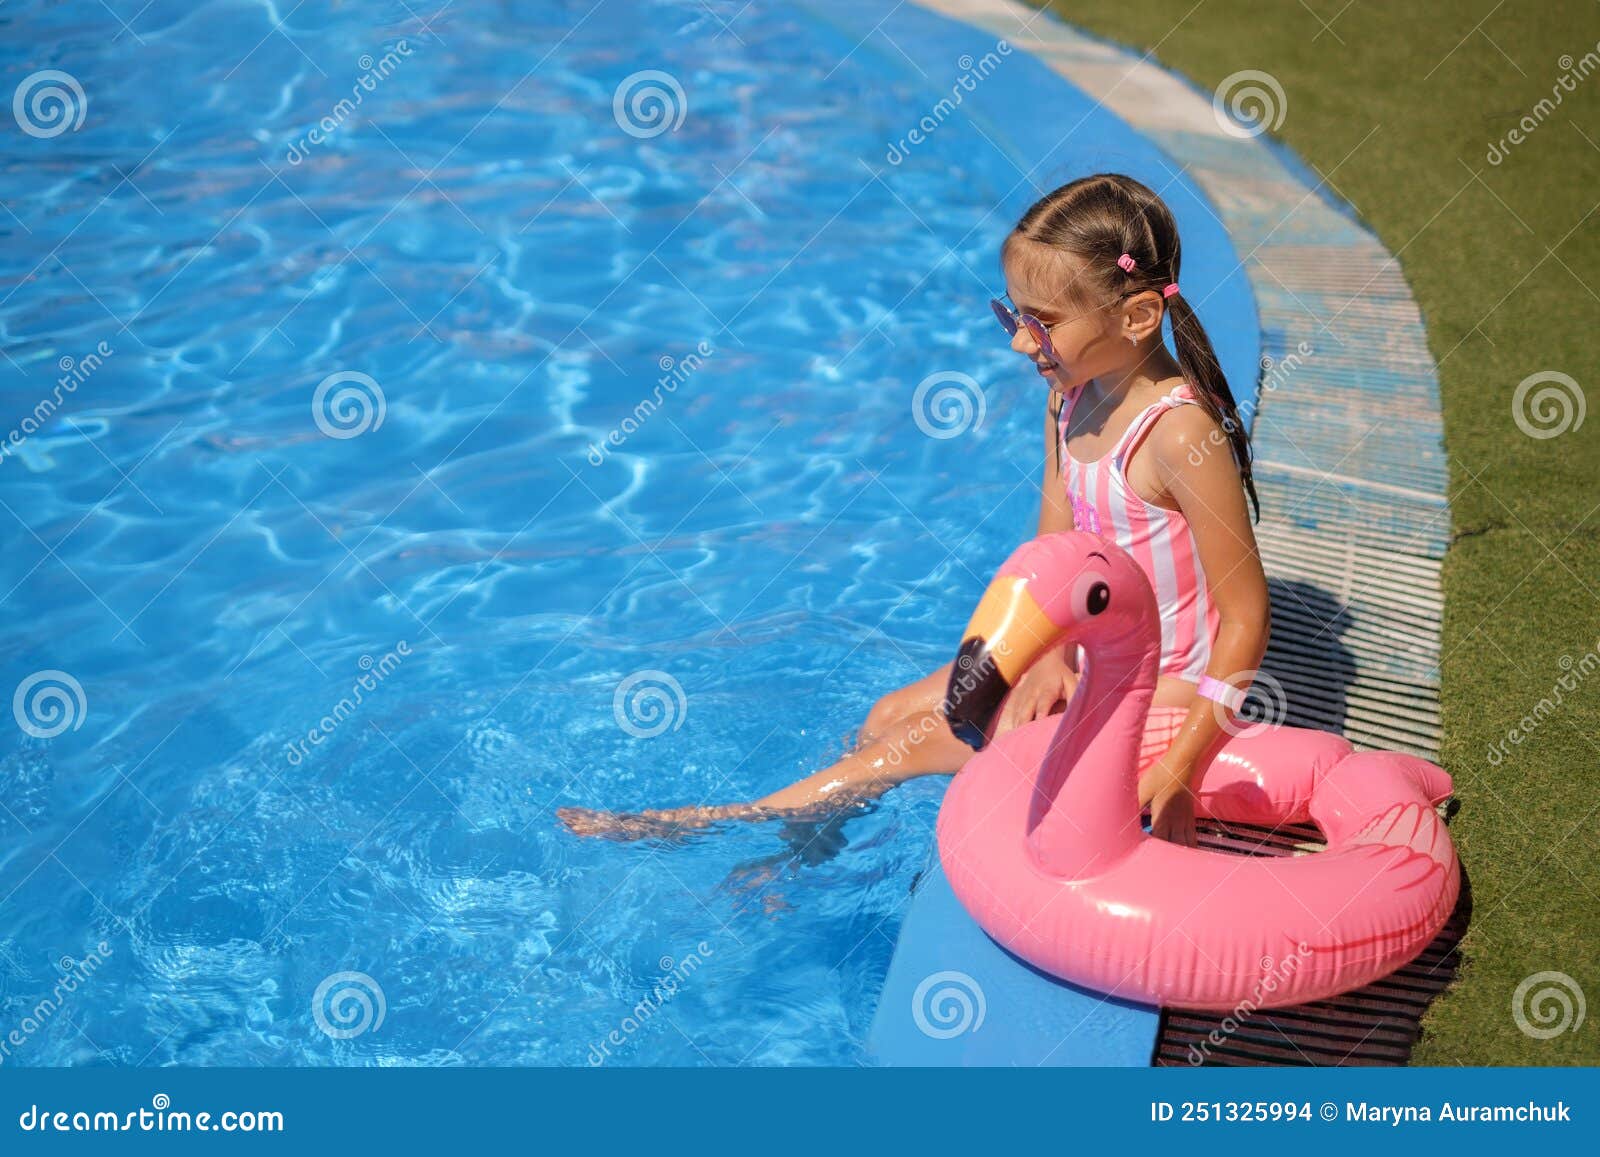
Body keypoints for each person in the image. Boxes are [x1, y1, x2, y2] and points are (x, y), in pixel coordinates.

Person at [559, 173, 1269, 847]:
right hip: (1080, 659)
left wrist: (1179, 767)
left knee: (898, 751)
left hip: (1156, 689)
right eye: (1015, 316)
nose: (1022, 342)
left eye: (1043, 323)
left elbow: (1245, 616)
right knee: (886, 716)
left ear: (1138, 315)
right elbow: (1052, 554)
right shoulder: (1069, 393)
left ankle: (710, 823)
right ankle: (800, 851)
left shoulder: (1178, 433)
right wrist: (1048, 657)